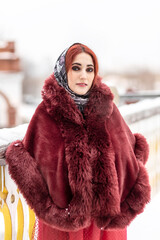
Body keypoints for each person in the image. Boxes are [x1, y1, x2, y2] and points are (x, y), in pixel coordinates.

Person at [5, 43, 151, 240]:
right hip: (64, 222)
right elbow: (29, 163)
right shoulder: (46, 112)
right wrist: (49, 207)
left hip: (105, 222)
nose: (84, 76)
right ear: (63, 71)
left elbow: (130, 151)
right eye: (76, 68)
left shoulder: (107, 109)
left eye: (89, 69)